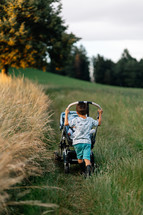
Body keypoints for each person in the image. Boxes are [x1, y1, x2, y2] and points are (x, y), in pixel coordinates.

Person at [64, 102, 103, 177]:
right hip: (87, 142)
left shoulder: (75, 120)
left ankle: (83, 170)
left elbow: (66, 124)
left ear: (77, 112)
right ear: (87, 112)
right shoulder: (90, 120)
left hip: (77, 142)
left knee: (80, 159)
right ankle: (88, 172)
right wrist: (100, 114)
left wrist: (66, 114)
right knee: (87, 159)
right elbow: (98, 123)